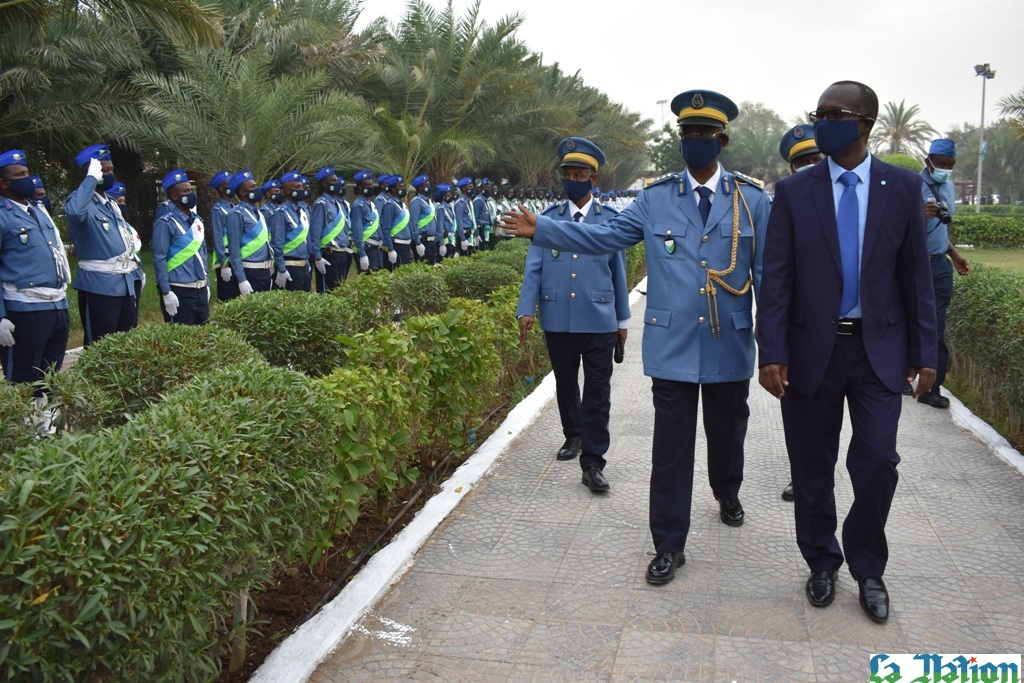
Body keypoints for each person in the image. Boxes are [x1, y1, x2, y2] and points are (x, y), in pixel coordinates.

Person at [502, 90, 770, 586]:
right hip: (670, 348)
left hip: (729, 343)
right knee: (670, 449)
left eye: (704, 135)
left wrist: (775, 342)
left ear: (722, 140)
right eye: (687, 134)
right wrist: (543, 230)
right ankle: (669, 544)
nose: (695, 142)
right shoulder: (654, 197)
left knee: (728, 433)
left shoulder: (751, 200)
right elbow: (602, 238)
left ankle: (726, 490)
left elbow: (771, 275)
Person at [756, 81, 937, 623]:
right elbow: (777, 279)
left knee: (878, 460)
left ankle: (867, 565)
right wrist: (772, 351)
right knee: (812, 465)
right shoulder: (795, 192)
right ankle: (821, 560)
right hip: (813, 350)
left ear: (865, 124)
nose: (822, 122)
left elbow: (916, 279)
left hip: (878, 350)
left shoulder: (902, 188)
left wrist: (927, 353)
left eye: (834, 114)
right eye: (818, 113)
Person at [516, 137, 631, 492]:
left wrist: (622, 321)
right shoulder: (546, 220)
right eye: (567, 173)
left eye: (579, 174)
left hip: (599, 319)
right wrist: (526, 309)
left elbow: (619, 272)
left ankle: (594, 461)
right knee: (565, 382)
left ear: (594, 180)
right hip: (558, 317)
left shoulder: (609, 220)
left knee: (598, 391)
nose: (572, 179)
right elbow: (534, 266)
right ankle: (573, 434)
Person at [776, 123, 825, 504]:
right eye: (801, 162)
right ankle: (800, 473)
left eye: (814, 158)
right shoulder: (787, 201)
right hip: (800, 331)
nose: (810, 165)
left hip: (847, 335)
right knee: (798, 416)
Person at [0, 149, 71, 391]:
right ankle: (23, 426)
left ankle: (44, 424)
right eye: (20, 174)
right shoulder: (2, 215)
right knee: (23, 378)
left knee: (49, 375)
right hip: (25, 309)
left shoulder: (38, 211)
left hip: (56, 306)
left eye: (28, 172)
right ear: (4, 183)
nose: (28, 178)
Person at [64, 143, 143, 345]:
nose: (109, 174)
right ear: (89, 172)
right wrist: (91, 179)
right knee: (100, 345)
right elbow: (74, 213)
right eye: (103, 170)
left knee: (126, 343)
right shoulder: (80, 201)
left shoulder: (111, 203)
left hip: (124, 283)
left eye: (110, 169)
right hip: (99, 286)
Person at [917, 138, 970, 408]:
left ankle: (932, 388)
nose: (945, 169)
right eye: (941, 164)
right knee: (906, 320)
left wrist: (955, 255)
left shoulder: (948, 186)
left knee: (937, 325)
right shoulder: (913, 186)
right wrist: (919, 215)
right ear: (929, 161)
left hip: (939, 264)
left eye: (950, 165)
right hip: (914, 264)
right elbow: (896, 227)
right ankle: (900, 377)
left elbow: (943, 229)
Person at [152, 169, 209, 324]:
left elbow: (202, 254)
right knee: (183, 342)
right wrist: (166, 291)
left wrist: (206, 283)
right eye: (185, 191)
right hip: (179, 289)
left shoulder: (197, 221)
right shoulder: (165, 223)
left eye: (191, 190)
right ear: (174, 196)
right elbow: (159, 257)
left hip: (200, 289)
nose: (190, 194)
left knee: (204, 339)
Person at [311, 165, 362, 290]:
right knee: (329, 292)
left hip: (343, 254)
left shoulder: (340, 204)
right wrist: (318, 257)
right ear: (324, 184)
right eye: (333, 181)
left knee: (341, 291)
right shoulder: (321, 204)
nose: (337, 183)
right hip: (330, 255)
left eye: (337, 180)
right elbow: (314, 234)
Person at [225, 170, 274, 294]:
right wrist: (242, 279)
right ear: (242, 192)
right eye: (253, 187)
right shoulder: (236, 214)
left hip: (265, 270)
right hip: (249, 271)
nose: (257, 190)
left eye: (256, 186)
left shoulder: (258, 212)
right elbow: (234, 249)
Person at [271, 171, 312, 292]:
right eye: (297, 187)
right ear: (288, 191)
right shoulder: (281, 212)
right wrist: (281, 269)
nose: (302, 190)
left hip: (304, 265)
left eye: (302, 187)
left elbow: (306, 240)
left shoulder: (302, 211)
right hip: (290, 266)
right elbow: (277, 244)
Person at [209, 170, 239, 302]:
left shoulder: (234, 206)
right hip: (226, 257)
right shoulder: (217, 210)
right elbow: (217, 237)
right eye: (230, 184)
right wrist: (223, 264)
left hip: (237, 255)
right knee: (228, 296)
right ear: (222, 188)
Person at [381, 175, 420, 268]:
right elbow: (386, 228)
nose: (403, 190)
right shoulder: (390, 205)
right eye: (401, 188)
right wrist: (390, 249)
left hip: (406, 244)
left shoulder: (402, 204)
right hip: (397, 244)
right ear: (394, 189)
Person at [350, 170, 381, 273]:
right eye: (368, 185)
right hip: (366, 248)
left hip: (375, 248)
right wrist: (362, 254)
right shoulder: (358, 205)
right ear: (360, 187)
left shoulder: (370, 204)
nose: (371, 188)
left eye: (371, 185)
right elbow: (357, 230)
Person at [409, 174, 440, 265]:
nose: (429, 187)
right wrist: (418, 243)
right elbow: (413, 223)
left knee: (430, 266)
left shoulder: (428, 201)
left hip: (431, 241)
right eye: (426, 185)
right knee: (423, 267)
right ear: (420, 188)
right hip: (422, 240)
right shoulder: (416, 202)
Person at [454, 177, 476, 256]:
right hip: (463, 235)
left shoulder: (468, 201)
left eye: (472, 186)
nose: (472, 189)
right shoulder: (460, 203)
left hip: (469, 234)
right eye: (469, 187)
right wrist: (463, 239)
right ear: (463, 188)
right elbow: (459, 223)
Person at [435, 183, 457, 260]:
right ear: (444, 196)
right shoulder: (441, 208)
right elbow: (440, 227)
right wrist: (441, 244)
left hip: (451, 240)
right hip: (445, 241)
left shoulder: (449, 207)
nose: (451, 196)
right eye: (449, 194)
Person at [473, 177, 493, 250]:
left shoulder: (485, 200)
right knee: (480, 250)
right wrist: (476, 234)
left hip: (486, 231)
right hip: (480, 230)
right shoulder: (479, 200)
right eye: (485, 187)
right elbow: (475, 217)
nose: (487, 189)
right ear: (481, 188)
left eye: (489, 187)